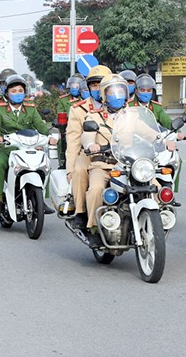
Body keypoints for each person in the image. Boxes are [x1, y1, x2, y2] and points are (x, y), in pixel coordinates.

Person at [0, 74, 58, 215]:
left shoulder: (30, 108)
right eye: (13, 91)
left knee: (44, 163)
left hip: (28, 145)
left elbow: (40, 125)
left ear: (25, 92)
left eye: (20, 91)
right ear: (7, 93)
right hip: (6, 146)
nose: (17, 94)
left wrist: (50, 136)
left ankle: (41, 199)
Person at [79, 73, 130, 248]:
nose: (116, 95)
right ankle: (93, 229)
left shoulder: (133, 116)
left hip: (129, 166)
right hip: (103, 165)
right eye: (112, 92)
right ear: (104, 95)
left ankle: (159, 219)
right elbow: (86, 135)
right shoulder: (94, 116)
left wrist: (166, 138)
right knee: (95, 190)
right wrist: (91, 144)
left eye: (120, 91)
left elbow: (150, 132)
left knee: (156, 186)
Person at [65, 65, 112, 229]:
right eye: (94, 85)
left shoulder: (121, 105)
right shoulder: (79, 109)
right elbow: (73, 140)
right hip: (89, 153)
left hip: (117, 153)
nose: (98, 89)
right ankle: (80, 211)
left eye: (101, 85)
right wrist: (70, 168)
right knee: (79, 169)